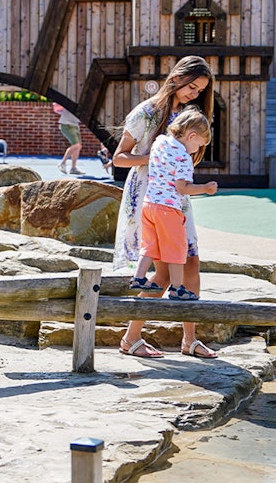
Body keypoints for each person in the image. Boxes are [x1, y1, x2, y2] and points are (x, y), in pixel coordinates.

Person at [112, 55, 218, 359]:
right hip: (150, 195)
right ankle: (131, 338)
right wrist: (156, 158)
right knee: (163, 271)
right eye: (192, 87)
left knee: (192, 263)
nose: (194, 94)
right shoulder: (147, 113)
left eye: (199, 91)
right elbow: (120, 157)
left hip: (176, 198)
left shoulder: (187, 117)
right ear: (177, 78)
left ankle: (190, 340)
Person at [128, 109, 217, 299]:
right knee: (177, 249)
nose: (196, 150)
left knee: (150, 245)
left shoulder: (160, 142)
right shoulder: (183, 157)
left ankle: (138, 277)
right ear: (191, 135)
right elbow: (182, 187)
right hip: (168, 208)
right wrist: (205, 188)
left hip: (149, 204)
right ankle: (177, 288)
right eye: (198, 145)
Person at [53, 102, 84, 174]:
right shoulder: (72, 100)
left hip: (75, 125)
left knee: (78, 147)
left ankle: (73, 168)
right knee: (77, 145)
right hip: (66, 124)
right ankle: (62, 163)